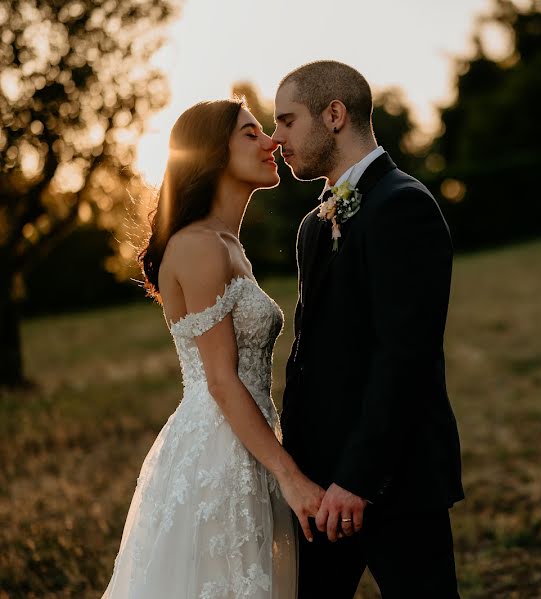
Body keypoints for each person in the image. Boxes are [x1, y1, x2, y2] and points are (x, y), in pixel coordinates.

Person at [102, 99, 323, 598]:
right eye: (251, 134)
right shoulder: (200, 245)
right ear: (210, 154)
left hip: (249, 439)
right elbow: (221, 380)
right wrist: (290, 475)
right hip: (220, 446)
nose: (271, 142)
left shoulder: (228, 244)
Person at [273, 60, 464, 598]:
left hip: (393, 482)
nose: (276, 137)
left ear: (334, 114)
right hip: (318, 491)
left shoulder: (403, 206)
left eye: (287, 121)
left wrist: (358, 479)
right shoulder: (315, 223)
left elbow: (403, 360)